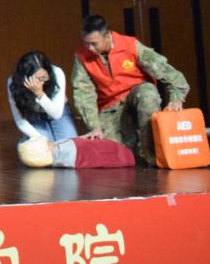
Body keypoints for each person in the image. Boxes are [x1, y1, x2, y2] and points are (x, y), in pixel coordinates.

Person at [71, 14, 189, 166]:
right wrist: (95, 126)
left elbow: (168, 71)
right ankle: (132, 148)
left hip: (136, 95)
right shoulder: (82, 57)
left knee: (147, 93)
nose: (90, 48)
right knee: (108, 153)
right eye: (86, 43)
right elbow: (83, 94)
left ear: (107, 36)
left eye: (94, 44)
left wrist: (176, 97)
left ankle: (152, 155)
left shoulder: (130, 45)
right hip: (111, 108)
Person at [7, 51, 77, 143]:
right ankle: (26, 141)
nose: (41, 82)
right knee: (43, 147)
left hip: (57, 112)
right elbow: (20, 121)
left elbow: (57, 114)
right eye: (37, 79)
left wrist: (40, 94)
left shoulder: (57, 73)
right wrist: (43, 140)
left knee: (69, 144)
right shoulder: (13, 83)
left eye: (44, 78)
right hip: (33, 114)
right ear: (25, 78)